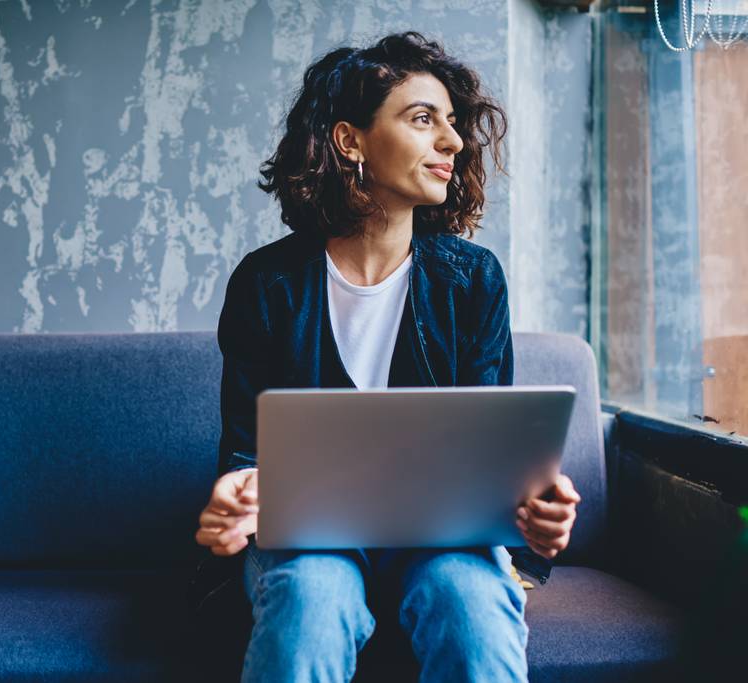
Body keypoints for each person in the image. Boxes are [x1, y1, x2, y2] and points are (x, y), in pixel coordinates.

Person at [193, 31, 581, 682]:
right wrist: (237, 495)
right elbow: (245, 452)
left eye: (452, 125)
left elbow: (491, 451)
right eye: (423, 119)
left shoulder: (474, 279)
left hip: (446, 542)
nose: (453, 142)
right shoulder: (267, 284)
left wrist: (531, 504)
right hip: (310, 542)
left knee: (472, 602)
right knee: (312, 597)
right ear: (350, 140)